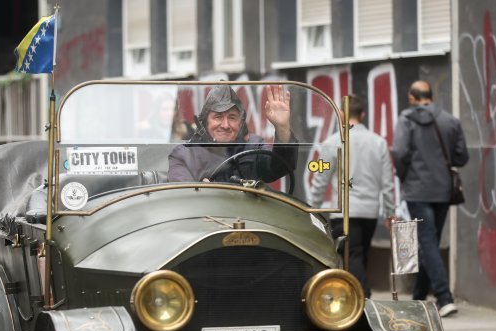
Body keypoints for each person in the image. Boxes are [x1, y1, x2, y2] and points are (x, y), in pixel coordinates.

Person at [392, 80, 468, 317]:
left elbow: (400, 152)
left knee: (428, 242)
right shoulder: (450, 120)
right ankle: (419, 296)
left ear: (412, 98)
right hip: (443, 190)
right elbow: (461, 157)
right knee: (430, 241)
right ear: (430, 96)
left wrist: (405, 178)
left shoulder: (406, 119)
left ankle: (444, 297)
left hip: (417, 190)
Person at [310, 95, 394, 298]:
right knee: (360, 255)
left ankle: (362, 296)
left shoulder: (331, 142)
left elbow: (320, 177)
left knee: (351, 256)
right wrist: (390, 212)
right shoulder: (379, 143)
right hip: (370, 212)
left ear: (341, 114)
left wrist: (314, 209)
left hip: (343, 211)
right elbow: (388, 182)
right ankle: (355, 297)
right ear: (363, 114)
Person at [167, 85, 297, 184]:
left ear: (240, 123)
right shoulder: (184, 155)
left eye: (232, 117)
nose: (225, 125)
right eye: (218, 117)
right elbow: (180, 196)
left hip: (249, 217)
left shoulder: (253, 147)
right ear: (205, 122)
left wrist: (282, 127)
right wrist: (200, 190)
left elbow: (281, 165)